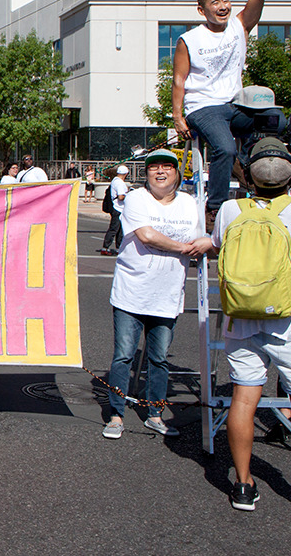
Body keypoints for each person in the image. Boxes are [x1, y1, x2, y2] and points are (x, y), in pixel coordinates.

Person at [101, 150, 213, 440]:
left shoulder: (190, 203)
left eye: (167, 167)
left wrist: (206, 244)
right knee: (123, 356)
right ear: (146, 174)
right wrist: (185, 247)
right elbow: (147, 236)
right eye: (154, 168)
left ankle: (155, 413)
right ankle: (115, 415)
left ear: (176, 173)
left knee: (159, 358)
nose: (160, 172)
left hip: (168, 294)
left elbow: (204, 239)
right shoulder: (137, 198)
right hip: (131, 291)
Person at [173, 0, 287, 231]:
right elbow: (179, 80)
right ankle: (215, 208)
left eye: (225, 0)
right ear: (202, 9)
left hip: (235, 105)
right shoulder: (190, 39)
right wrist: (178, 117)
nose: (222, 6)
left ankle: (257, 173)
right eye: (215, 3)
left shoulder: (239, 26)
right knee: (223, 147)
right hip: (203, 108)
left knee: (278, 120)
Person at [210, 137, 291, 511]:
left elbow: (216, 244)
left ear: (249, 173)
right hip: (286, 319)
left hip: (240, 317)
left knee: (245, 397)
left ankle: (243, 484)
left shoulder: (229, 209)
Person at [99, 165, 130, 256]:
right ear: (126, 174)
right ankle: (105, 248)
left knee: (119, 230)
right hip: (118, 208)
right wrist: (128, 195)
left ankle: (118, 248)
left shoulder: (115, 181)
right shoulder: (120, 183)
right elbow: (121, 197)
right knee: (114, 229)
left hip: (117, 208)